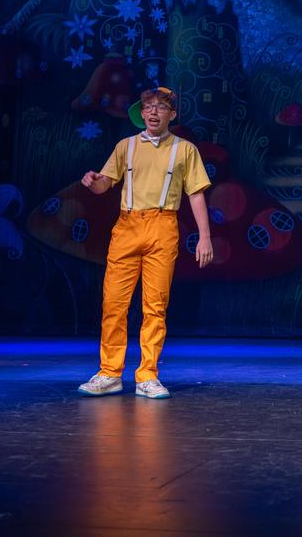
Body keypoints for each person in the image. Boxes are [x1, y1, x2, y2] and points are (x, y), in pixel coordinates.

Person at [77, 87, 213, 399]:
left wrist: (205, 237)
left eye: (160, 107)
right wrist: (94, 182)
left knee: (155, 305)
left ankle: (148, 375)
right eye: (148, 107)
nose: (153, 112)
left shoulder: (185, 150)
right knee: (114, 303)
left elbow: (196, 194)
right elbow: (105, 184)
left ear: (171, 114)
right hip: (127, 227)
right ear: (141, 113)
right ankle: (109, 372)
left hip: (163, 226)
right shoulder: (125, 146)